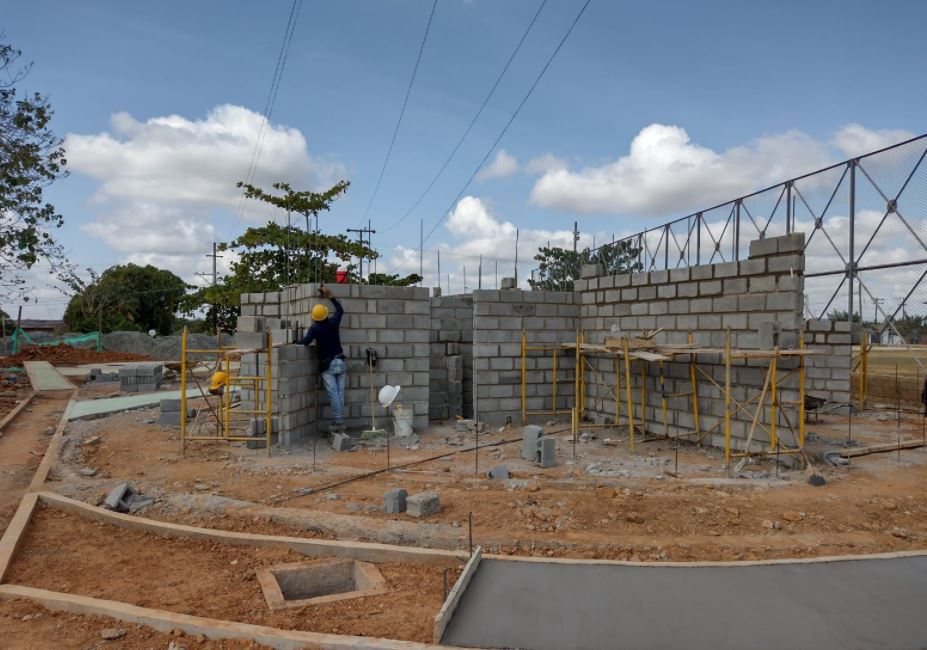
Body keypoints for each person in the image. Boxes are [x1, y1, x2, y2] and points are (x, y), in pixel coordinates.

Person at [299, 287, 346, 432]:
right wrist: (331, 297)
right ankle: (339, 420)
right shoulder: (333, 323)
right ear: (326, 314)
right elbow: (340, 310)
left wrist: (295, 342)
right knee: (340, 393)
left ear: (314, 317)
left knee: (333, 394)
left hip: (329, 365)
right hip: (341, 362)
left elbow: (305, 342)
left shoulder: (315, 329)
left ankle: (339, 422)